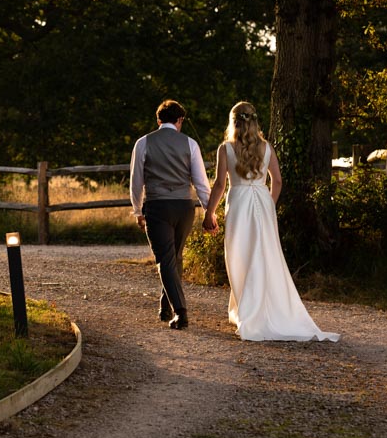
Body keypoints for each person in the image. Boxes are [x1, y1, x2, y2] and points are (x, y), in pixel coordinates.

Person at [203, 102, 340, 342]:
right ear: (255, 121)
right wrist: (269, 205)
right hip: (262, 202)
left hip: (239, 202)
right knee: (266, 255)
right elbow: (277, 180)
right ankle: (256, 308)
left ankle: (247, 311)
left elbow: (220, 185)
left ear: (233, 121)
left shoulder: (226, 148)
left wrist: (209, 213)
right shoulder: (267, 148)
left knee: (239, 255)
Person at [129, 99, 211, 330]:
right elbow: (201, 183)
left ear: (158, 120)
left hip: (158, 206)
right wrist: (208, 211)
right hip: (185, 207)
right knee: (174, 257)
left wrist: (137, 210)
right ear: (180, 120)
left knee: (166, 260)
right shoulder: (190, 144)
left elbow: (136, 182)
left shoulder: (143, 143)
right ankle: (166, 306)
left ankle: (181, 313)